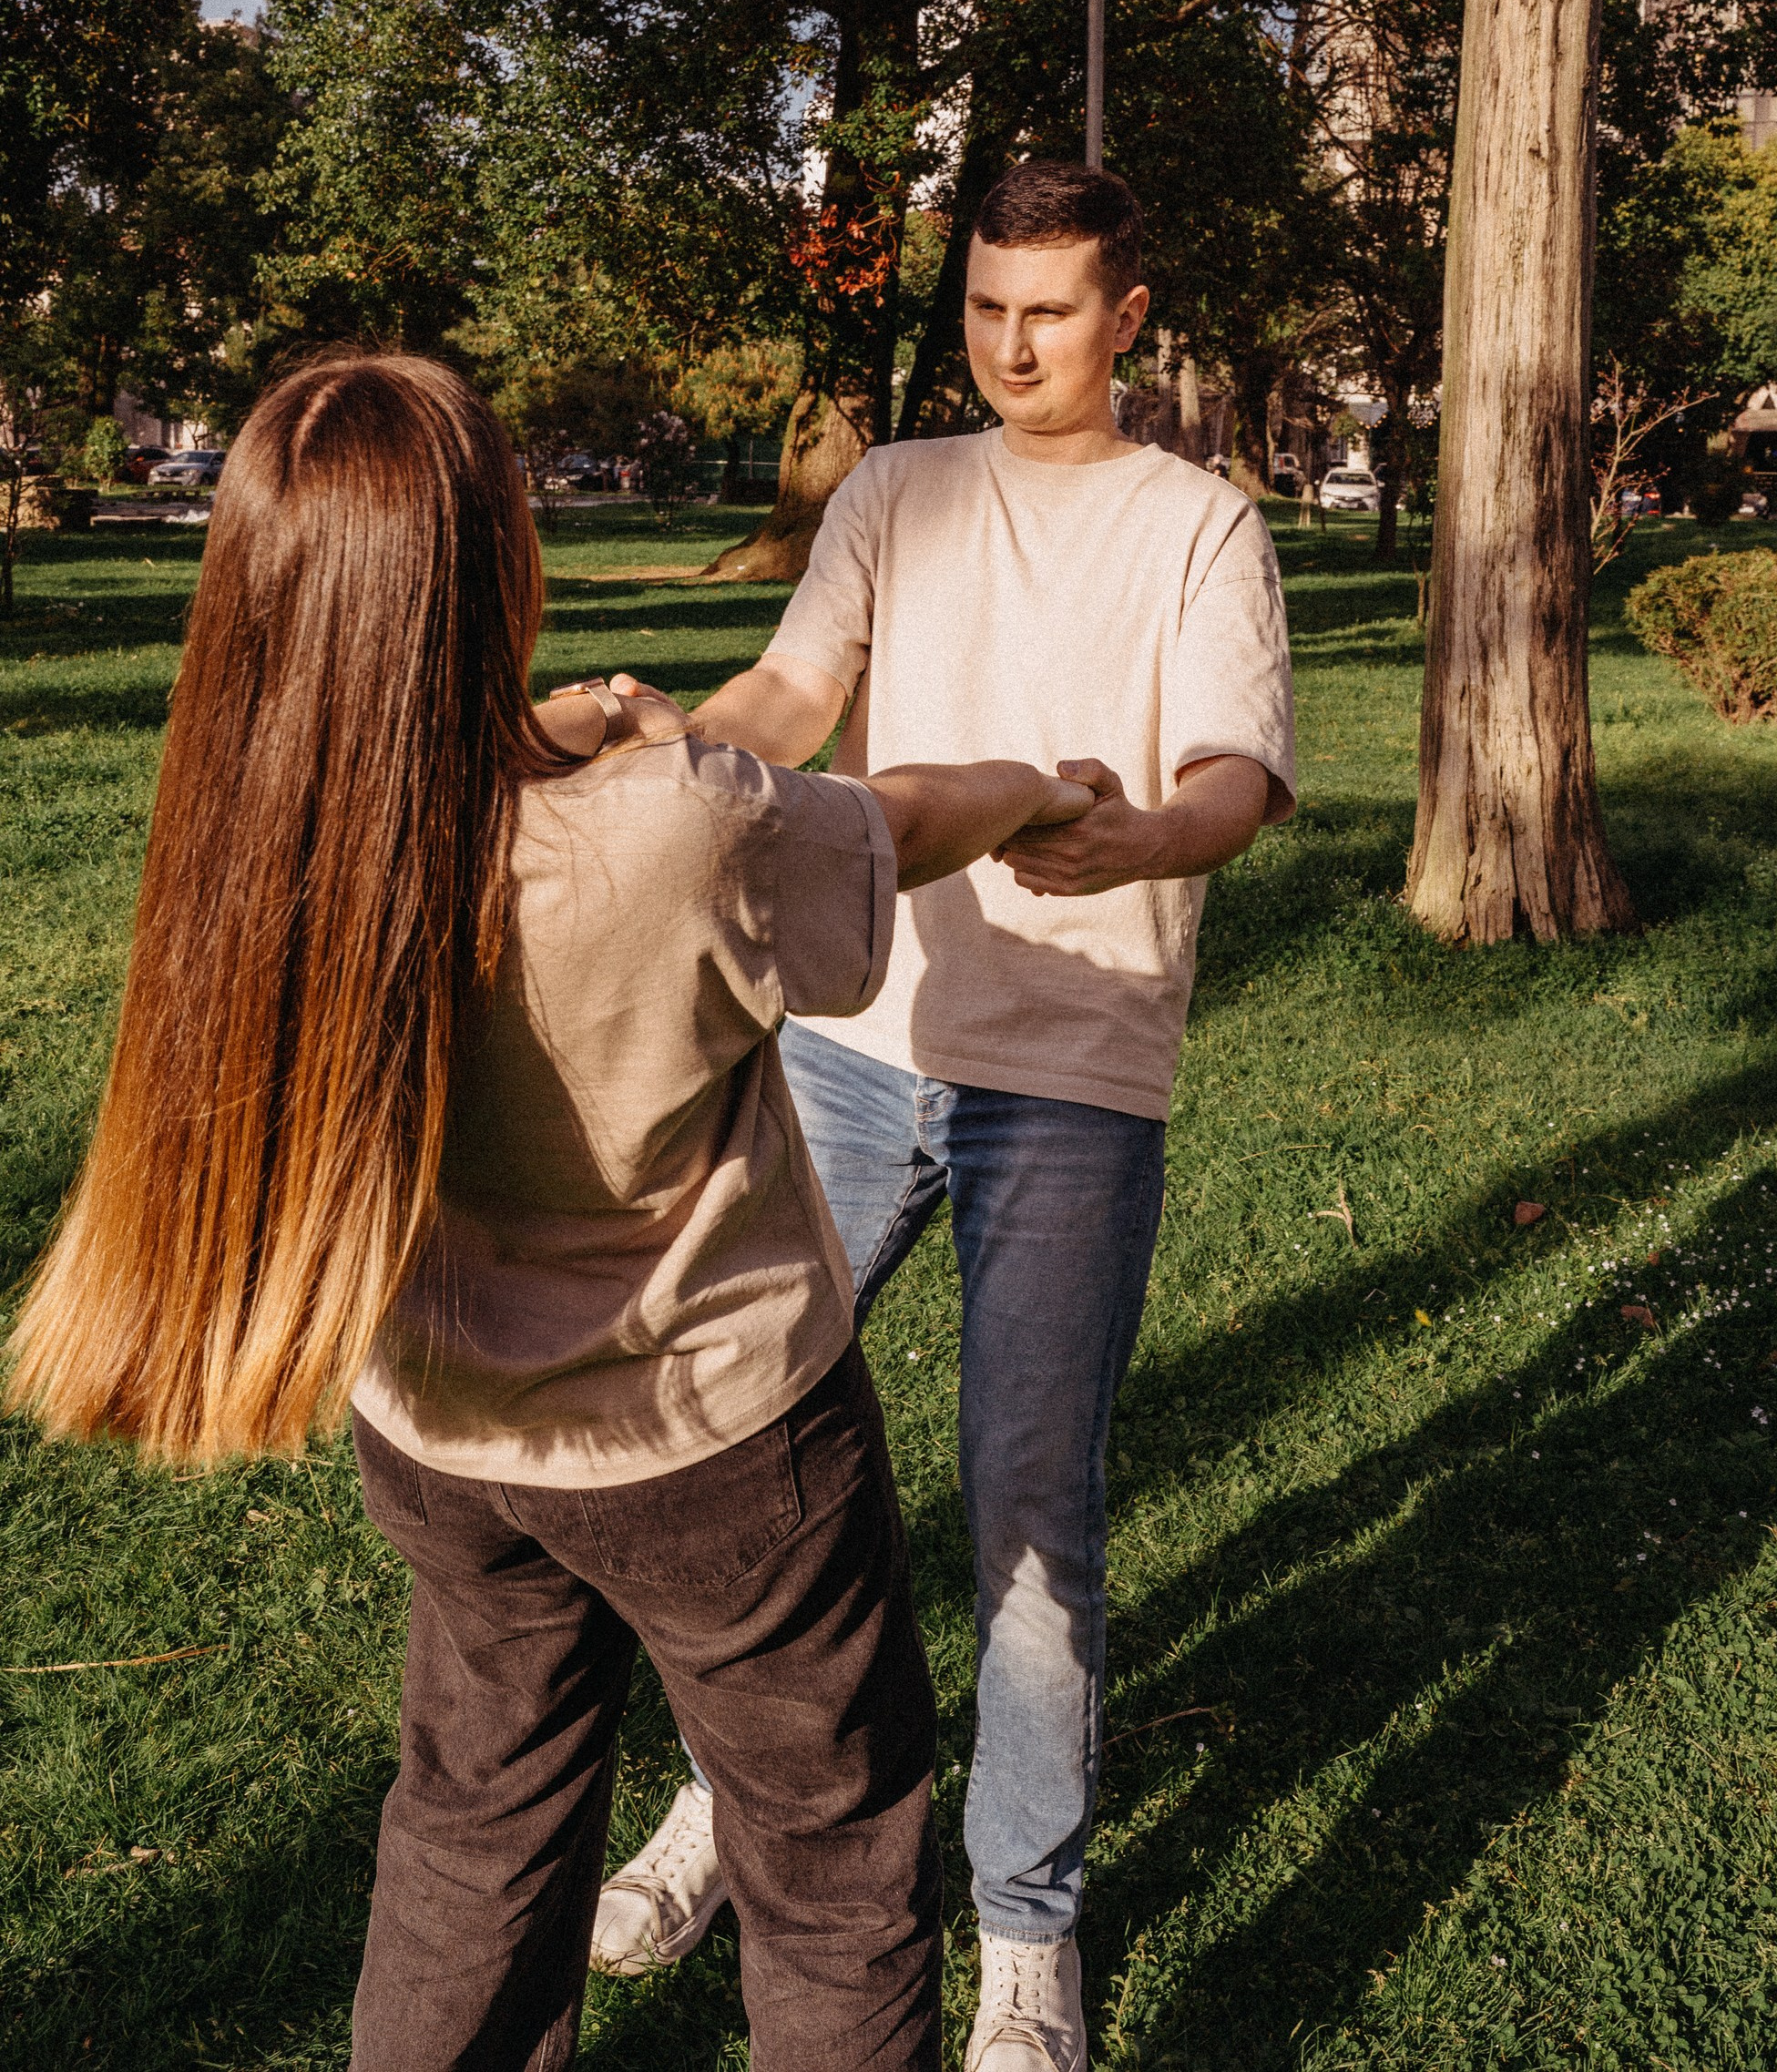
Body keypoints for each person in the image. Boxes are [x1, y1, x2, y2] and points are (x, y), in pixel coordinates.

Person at [4, 352, 1099, 2072]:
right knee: (827, 1872)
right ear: (493, 564)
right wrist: (1039, 786)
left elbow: (442, 791)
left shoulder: (264, 829)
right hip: (721, 1455)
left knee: (471, 1832)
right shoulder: (673, 834)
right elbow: (890, 820)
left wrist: (563, 740)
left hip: (444, 1443)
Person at [596, 162, 1298, 2072]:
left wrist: (1149, 835)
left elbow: (1238, 773)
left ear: (1126, 317)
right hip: (846, 1047)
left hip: (1072, 1076)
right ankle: (721, 1817)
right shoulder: (897, 490)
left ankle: (1021, 1937)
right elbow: (794, 691)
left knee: (1028, 1521)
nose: (1009, 344)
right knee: (732, 1459)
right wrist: (684, 746)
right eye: (986, 307)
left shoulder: (1199, 525)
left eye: (1048, 311)